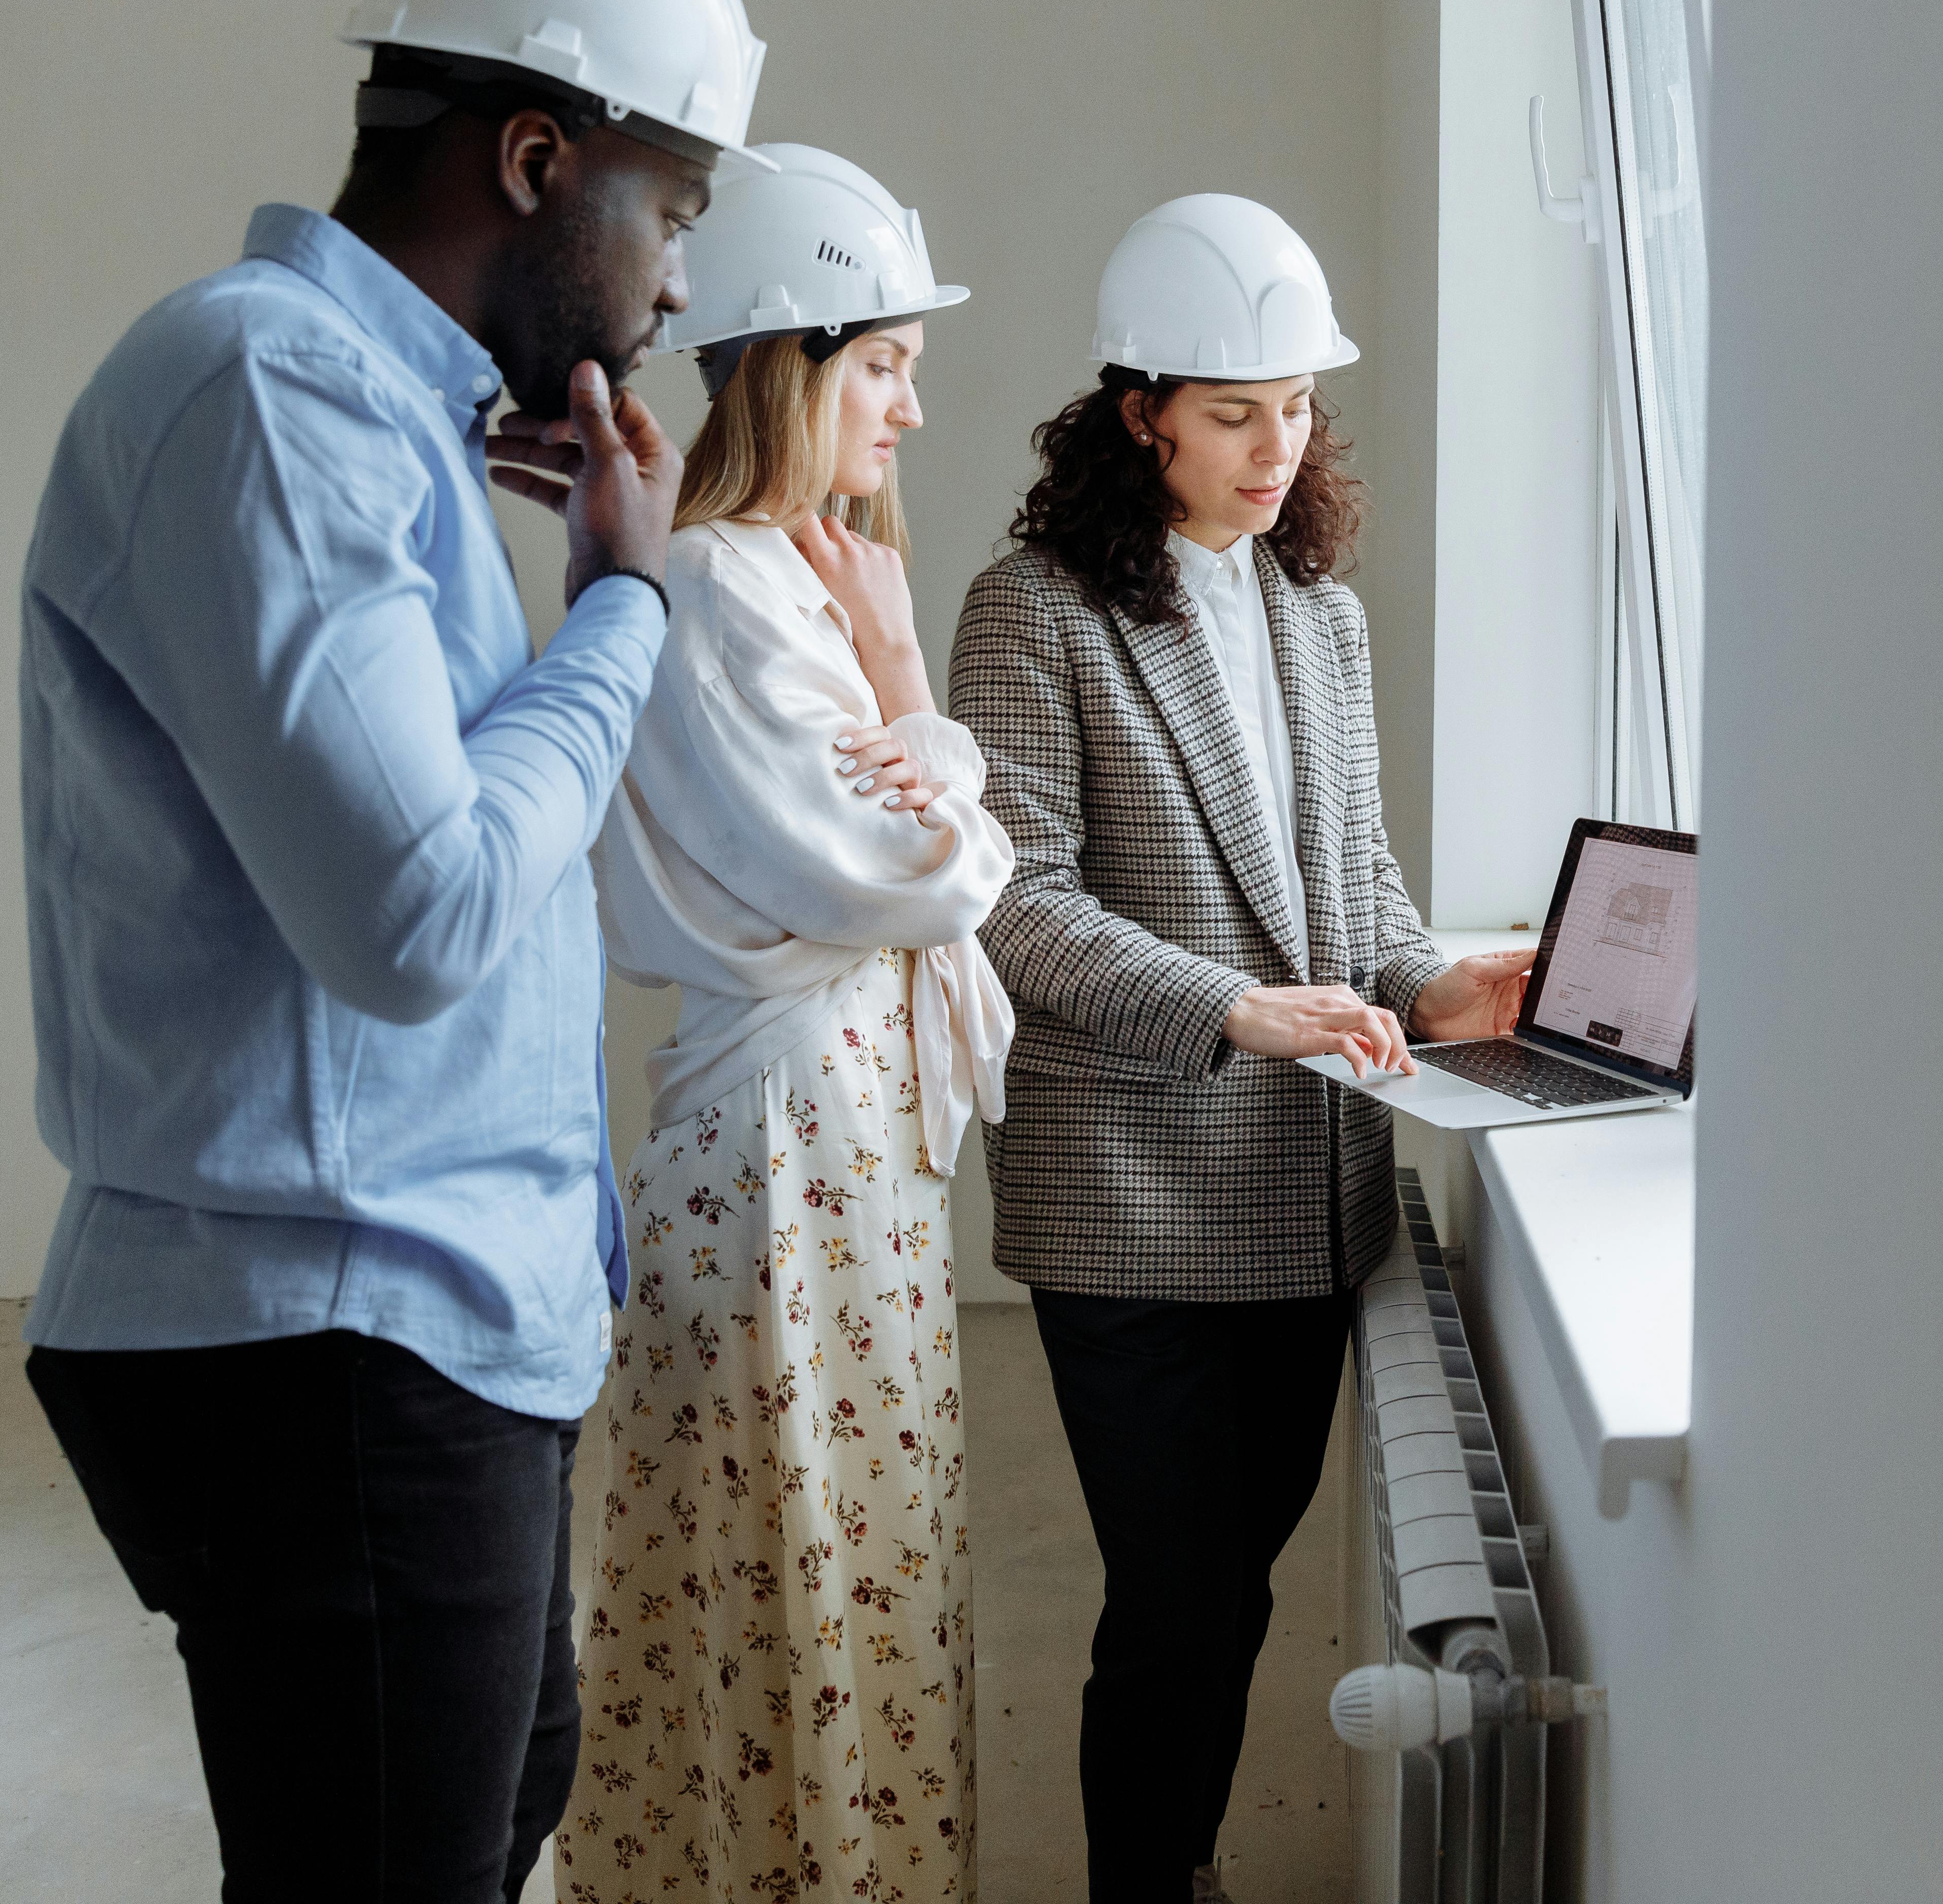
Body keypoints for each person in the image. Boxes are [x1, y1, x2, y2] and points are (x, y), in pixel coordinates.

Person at [14, 0, 762, 1904]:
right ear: (538, 159)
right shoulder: (265, 389)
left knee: (492, 1812)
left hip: (417, 1328)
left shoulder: (382, 425)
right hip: (325, 1342)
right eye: (673, 210)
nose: (680, 287)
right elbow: (420, 914)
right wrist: (617, 609)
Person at [948, 194, 1536, 1903]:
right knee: (1175, 1595)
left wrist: (1442, 988)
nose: (1276, 447)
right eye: (1232, 413)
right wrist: (1229, 1008)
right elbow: (1018, 904)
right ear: (1140, 414)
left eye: (1295, 407)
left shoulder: (1318, 616)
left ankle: (1180, 1864)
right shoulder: (1032, 609)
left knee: (1236, 1589)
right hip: (1129, 1197)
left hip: (1302, 1195)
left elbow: (1355, 893)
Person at [566, 145, 1012, 1904]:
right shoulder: (734, 591)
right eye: (885, 365)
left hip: (823, 1142)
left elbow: (930, 855)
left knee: (833, 1559)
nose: (909, 407)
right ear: (791, 361)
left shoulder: (766, 576)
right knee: (794, 1564)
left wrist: (934, 760)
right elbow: (913, 874)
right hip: (788, 1153)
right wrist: (917, 702)